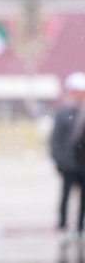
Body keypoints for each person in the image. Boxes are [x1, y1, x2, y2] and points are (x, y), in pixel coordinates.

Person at [51, 71, 85, 244]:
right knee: (65, 197)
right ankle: (63, 227)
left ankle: (80, 229)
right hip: (69, 164)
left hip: (83, 165)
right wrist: (59, 161)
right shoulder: (63, 113)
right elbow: (56, 140)